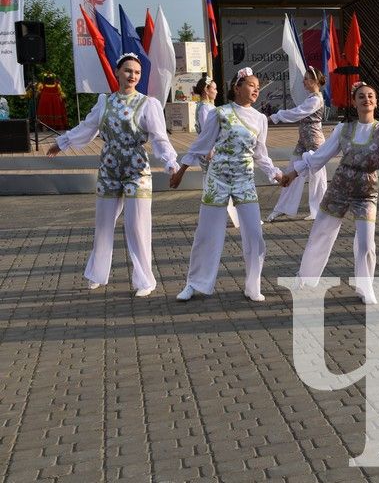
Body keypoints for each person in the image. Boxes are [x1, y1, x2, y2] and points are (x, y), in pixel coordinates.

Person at [47, 53, 178, 297]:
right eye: (128, 71)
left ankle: (145, 280)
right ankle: (97, 274)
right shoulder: (104, 102)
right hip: (109, 169)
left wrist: (171, 162)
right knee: (103, 226)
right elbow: (88, 127)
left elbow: (160, 137)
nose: (132, 76)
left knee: (137, 226)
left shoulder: (147, 103)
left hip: (136, 169)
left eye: (137, 73)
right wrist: (62, 142)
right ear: (117, 72)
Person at [281, 81, 379, 305]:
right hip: (339, 187)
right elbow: (320, 156)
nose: (366, 99)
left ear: (376, 102)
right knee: (321, 233)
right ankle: (306, 279)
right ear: (354, 102)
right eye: (361, 97)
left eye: (370, 96)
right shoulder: (343, 129)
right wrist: (294, 172)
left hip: (366, 190)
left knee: (367, 242)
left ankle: (365, 287)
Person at [170, 68, 284, 302]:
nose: (256, 89)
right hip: (218, 179)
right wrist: (182, 169)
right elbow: (202, 143)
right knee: (207, 234)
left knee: (254, 234)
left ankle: (253, 285)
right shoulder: (220, 113)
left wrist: (275, 174)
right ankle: (195, 283)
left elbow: (261, 154)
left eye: (258, 86)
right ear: (237, 87)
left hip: (244, 180)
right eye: (251, 84)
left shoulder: (261, 119)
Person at [266, 66, 328, 223]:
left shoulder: (315, 99)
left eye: (307, 78)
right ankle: (282, 208)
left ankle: (319, 210)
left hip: (315, 141)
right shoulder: (310, 98)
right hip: (303, 141)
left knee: (317, 177)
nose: (304, 81)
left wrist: (276, 116)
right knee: (291, 172)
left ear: (314, 81)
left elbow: (297, 113)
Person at [193, 73, 240, 228]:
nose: (217, 91)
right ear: (206, 90)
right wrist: (212, 149)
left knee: (213, 184)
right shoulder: (206, 108)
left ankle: (213, 218)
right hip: (210, 152)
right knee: (215, 184)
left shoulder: (205, 107)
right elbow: (209, 132)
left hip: (210, 150)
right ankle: (215, 218)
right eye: (214, 88)